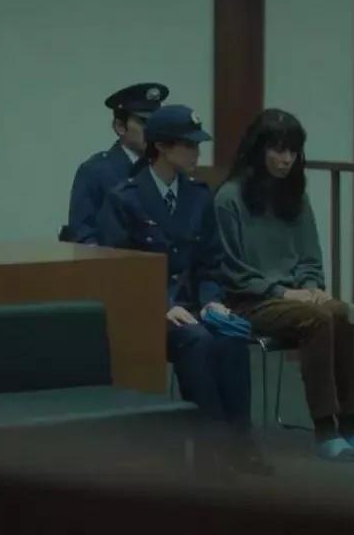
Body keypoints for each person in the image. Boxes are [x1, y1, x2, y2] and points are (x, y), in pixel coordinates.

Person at [98, 105, 267, 475]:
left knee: (230, 338)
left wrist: (211, 302)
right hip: (146, 310)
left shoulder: (198, 196)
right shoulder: (125, 198)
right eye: (188, 145)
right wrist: (162, 305)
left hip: (193, 307)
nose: (197, 153)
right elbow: (120, 271)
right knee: (197, 341)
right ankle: (212, 447)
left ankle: (241, 443)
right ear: (161, 147)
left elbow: (210, 263)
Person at [214, 109, 354, 461]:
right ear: (258, 150)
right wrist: (285, 292)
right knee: (316, 318)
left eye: (292, 150)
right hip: (249, 300)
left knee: (342, 312)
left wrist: (312, 286)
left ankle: (351, 424)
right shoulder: (229, 198)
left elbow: (310, 256)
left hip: (294, 294)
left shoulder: (296, 197)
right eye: (278, 149)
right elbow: (232, 269)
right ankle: (325, 429)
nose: (286, 159)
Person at [65, 83, 169, 244]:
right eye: (144, 122)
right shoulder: (95, 171)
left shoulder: (164, 169)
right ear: (120, 127)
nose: (152, 130)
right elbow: (83, 234)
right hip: (112, 258)